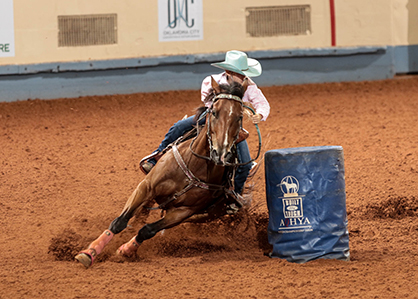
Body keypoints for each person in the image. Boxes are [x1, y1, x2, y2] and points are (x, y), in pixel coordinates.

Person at [142, 50, 270, 201]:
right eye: (239, 72)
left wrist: (259, 115)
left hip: (231, 123)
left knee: (245, 163)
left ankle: (235, 194)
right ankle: (156, 155)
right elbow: (207, 100)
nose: (242, 76)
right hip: (211, 116)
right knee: (179, 126)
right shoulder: (212, 80)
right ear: (228, 71)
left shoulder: (249, 85)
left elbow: (262, 103)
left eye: (243, 72)